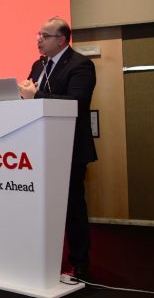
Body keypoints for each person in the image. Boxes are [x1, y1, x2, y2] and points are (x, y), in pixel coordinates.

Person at [18, 16, 97, 280]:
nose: (39, 39)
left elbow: (76, 102)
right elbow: (30, 100)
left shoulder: (80, 65)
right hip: (37, 148)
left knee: (72, 208)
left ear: (61, 40)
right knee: (39, 208)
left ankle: (79, 263)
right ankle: (38, 259)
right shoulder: (38, 65)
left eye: (45, 35)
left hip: (68, 150)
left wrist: (35, 96)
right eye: (38, 34)